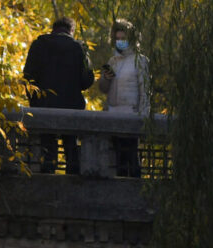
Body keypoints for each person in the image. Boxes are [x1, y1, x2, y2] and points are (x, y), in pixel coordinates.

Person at [21, 17, 94, 174]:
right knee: (71, 146)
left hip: (44, 107)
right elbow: (86, 80)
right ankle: (73, 178)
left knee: (47, 147)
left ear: (53, 29)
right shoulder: (78, 48)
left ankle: (47, 176)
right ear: (71, 31)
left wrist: (34, 102)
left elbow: (27, 78)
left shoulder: (38, 45)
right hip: (71, 108)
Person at [97, 18, 149, 177]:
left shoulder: (140, 60)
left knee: (131, 157)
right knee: (117, 159)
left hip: (131, 115)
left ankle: (135, 192)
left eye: (123, 39)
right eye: (117, 39)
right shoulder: (112, 61)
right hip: (113, 113)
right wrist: (105, 78)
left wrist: (144, 116)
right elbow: (103, 89)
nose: (120, 42)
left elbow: (145, 90)